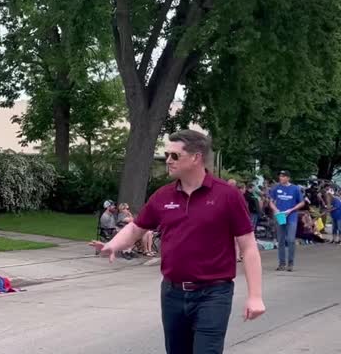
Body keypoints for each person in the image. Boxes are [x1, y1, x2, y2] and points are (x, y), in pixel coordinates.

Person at [90, 129, 265, 354]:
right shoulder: (163, 196)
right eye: (167, 155)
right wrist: (113, 244)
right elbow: (136, 227)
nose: (168, 161)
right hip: (172, 293)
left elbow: (249, 247)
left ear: (196, 157)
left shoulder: (227, 196)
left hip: (213, 294)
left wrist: (255, 296)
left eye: (174, 156)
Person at [270, 170, 305, 272]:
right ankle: (282, 263)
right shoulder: (276, 188)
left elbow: (302, 203)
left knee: (290, 240)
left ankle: (290, 263)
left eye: (283, 176)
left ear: (288, 178)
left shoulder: (295, 189)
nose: (281, 178)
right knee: (280, 240)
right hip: (280, 216)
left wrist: (291, 210)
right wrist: (275, 210)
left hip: (291, 216)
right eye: (280, 176)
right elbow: (271, 202)